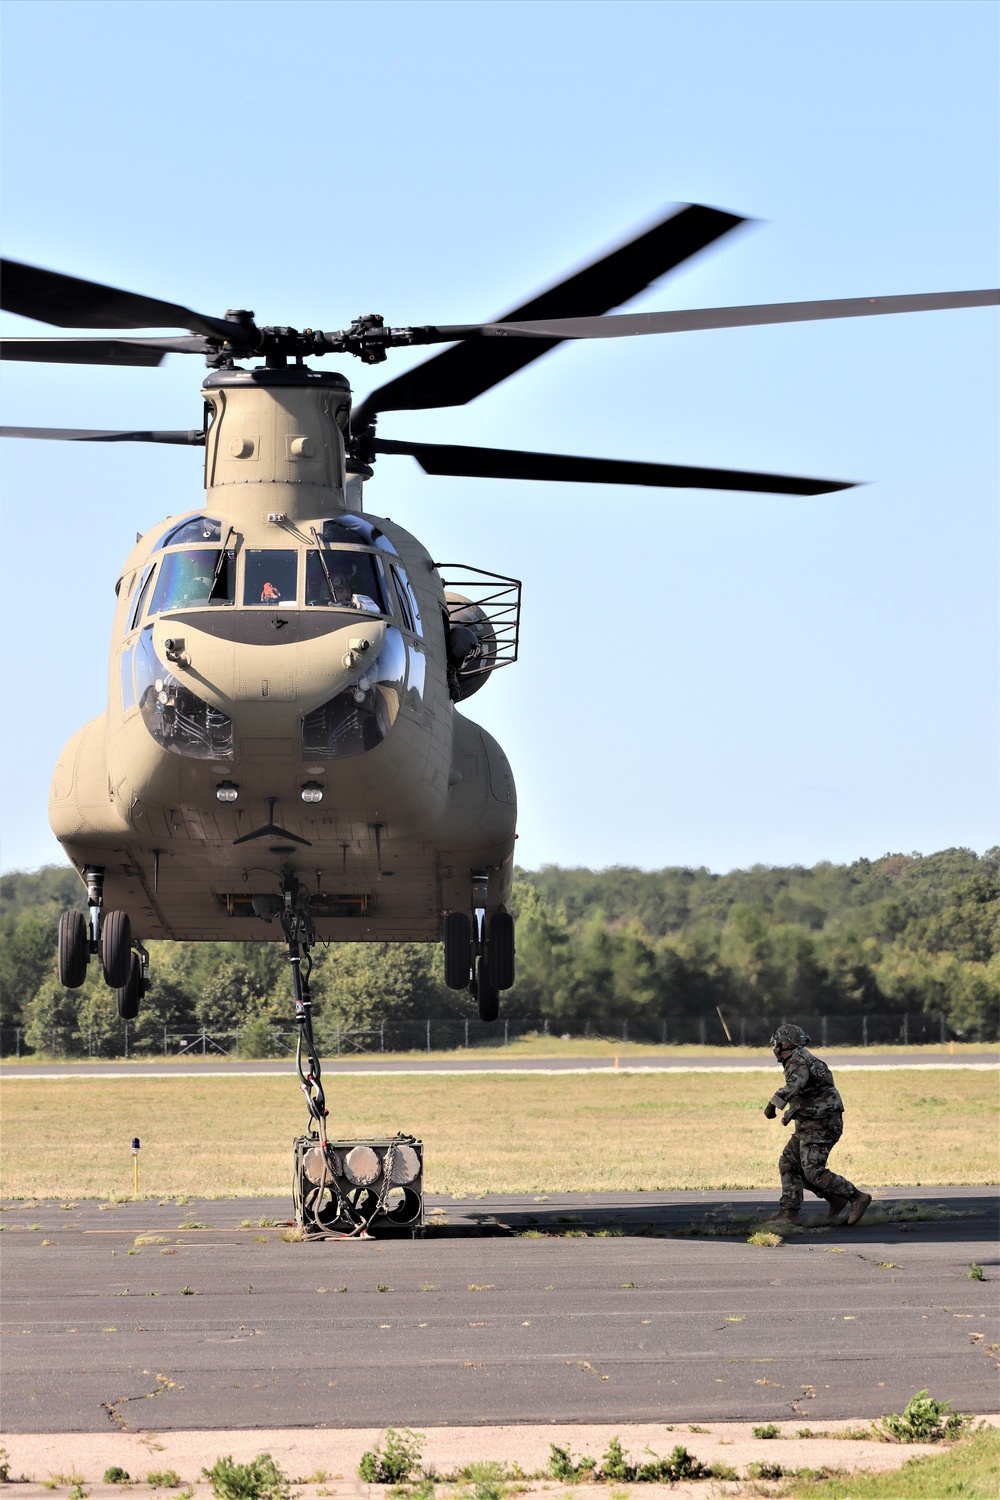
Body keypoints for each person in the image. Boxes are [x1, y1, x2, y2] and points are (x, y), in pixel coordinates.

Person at [763, 1023, 872, 1226]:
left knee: (812, 1170)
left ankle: (856, 1197)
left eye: (776, 1045)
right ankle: (791, 1212)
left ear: (783, 1045)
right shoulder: (801, 1058)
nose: (774, 1050)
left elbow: (794, 1086)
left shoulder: (797, 1060)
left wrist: (773, 1105)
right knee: (789, 1163)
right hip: (811, 1122)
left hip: (822, 1124)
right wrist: (791, 1114)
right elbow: (810, 1094)